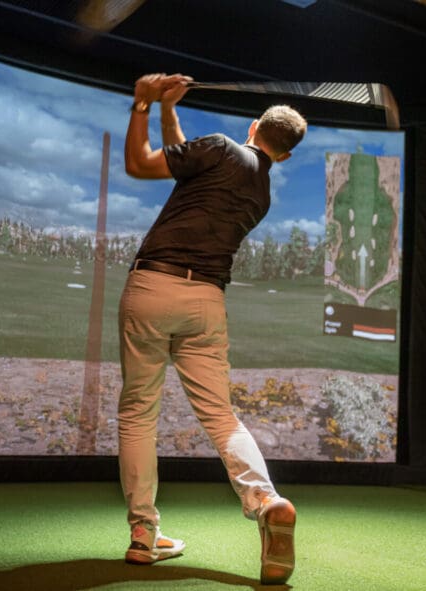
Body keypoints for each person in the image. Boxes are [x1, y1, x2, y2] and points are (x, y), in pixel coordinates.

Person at [118, 72, 307, 586]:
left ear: (252, 126)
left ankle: (143, 534)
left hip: (153, 286)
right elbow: (181, 159)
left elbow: (141, 163)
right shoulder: (261, 190)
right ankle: (265, 500)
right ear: (284, 156)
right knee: (222, 419)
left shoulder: (222, 148)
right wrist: (167, 110)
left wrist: (142, 103)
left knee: (138, 413)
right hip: (206, 300)